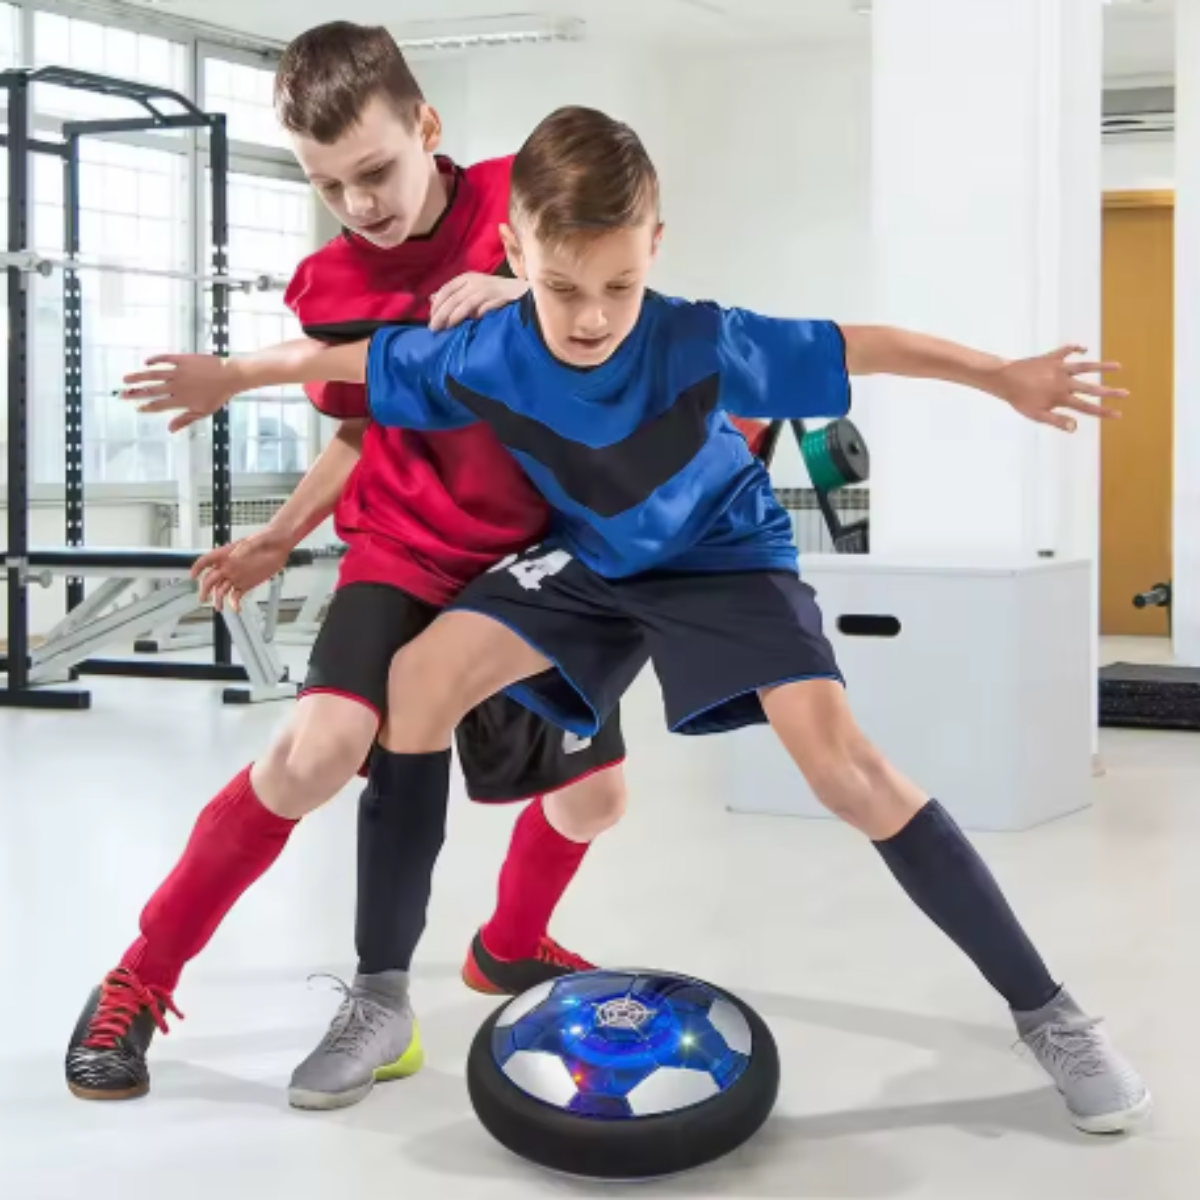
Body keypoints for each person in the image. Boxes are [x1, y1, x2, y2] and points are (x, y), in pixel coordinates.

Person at [206, 104, 1152, 1136]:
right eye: (563, 286)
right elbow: (352, 365)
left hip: (721, 559)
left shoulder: (701, 338)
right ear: (513, 250)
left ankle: (1051, 1015)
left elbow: (862, 345)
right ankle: (382, 999)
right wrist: (235, 375)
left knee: (844, 769)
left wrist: (1001, 377)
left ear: (654, 247)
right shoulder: (482, 354)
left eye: (619, 284)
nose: (592, 315)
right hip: (593, 564)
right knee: (418, 682)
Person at [64, 23, 631, 1113]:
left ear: (429, 127)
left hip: (532, 561)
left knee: (598, 797)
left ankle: (508, 948)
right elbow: (362, 430)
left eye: (374, 171)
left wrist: (528, 291)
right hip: (404, 548)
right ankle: (140, 977)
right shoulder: (327, 282)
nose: (361, 204)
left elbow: (621, 291)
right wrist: (280, 535)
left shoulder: (525, 199)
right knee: (315, 751)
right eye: (331, 186)